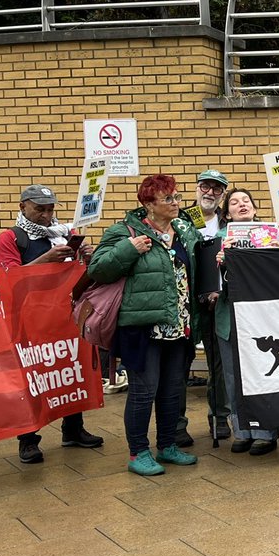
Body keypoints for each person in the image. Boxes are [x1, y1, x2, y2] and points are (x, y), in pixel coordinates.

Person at [87, 175, 201, 477]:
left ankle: (167, 445)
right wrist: (128, 249)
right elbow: (97, 269)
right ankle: (138, 452)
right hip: (142, 327)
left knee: (172, 390)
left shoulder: (183, 232)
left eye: (176, 197)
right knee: (143, 391)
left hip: (178, 326)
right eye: (169, 199)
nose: (176, 203)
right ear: (149, 204)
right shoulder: (124, 231)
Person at [0, 183, 104, 462]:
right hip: (28, 322)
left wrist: (85, 258)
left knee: (70, 371)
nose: (46, 215)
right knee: (32, 378)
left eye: (50, 209)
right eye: (39, 209)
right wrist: (44, 260)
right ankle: (28, 440)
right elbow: (7, 280)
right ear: (22, 207)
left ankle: (73, 428)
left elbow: (78, 276)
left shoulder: (65, 233)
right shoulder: (11, 238)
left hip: (64, 316)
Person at [213, 189, 279, 455]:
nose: (241, 205)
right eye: (234, 202)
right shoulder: (218, 240)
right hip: (229, 317)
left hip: (264, 320)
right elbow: (210, 284)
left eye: (246, 201)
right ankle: (242, 431)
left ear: (255, 209)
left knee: (265, 374)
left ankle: (266, 433)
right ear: (227, 213)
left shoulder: (274, 235)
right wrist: (218, 263)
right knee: (233, 377)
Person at [181, 168, 231, 447]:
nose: (210, 192)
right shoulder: (182, 219)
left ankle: (220, 416)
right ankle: (176, 424)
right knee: (180, 365)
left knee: (219, 365)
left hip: (216, 303)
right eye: (205, 186)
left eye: (217, 188)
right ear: (197, 188)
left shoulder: (228, 221)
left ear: (223, 194)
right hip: (186, 304)